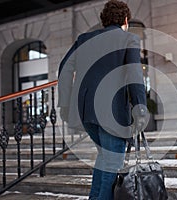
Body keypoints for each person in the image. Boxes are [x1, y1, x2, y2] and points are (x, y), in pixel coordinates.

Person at [57, 0, 148, 199]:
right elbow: (134, 75)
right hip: (112, 112)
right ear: (125, 20)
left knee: (104, 158)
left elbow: (64, 69)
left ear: (104, 20)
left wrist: (64, 103)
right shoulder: (128, 39)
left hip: (85, 112)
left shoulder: (84, 39)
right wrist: (140, 107)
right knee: (113, 163)